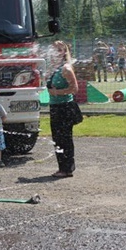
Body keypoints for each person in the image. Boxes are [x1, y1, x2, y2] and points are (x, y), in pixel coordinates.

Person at [47, 40, 79, 178]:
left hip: (64, 107)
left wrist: (57, 93)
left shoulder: (66, 68)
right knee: (57, 139)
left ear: (64, 52)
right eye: (53, 49)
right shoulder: (55, 68)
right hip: (55, 106)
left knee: (64, 138)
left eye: (59, 50)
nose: (55, 52)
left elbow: (75, 89)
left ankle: (67, 168)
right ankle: (63, 167)